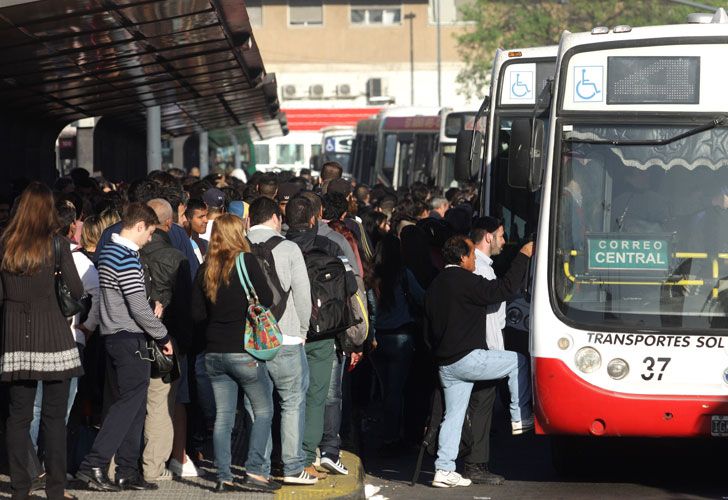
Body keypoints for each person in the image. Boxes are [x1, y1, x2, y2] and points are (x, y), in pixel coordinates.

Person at [76, 203, 173, 492]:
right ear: (139, 225)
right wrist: (163, 335)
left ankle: (127, 471)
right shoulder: (126, 257)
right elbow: (137, 307)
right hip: (129, 337)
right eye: (151, 232)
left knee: (132, 404)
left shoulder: (108, 252)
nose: (151, 239)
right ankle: (95, 463)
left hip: (115, 337)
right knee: (128, 405)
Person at [426, 235, 533, 488]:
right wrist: (523, 256)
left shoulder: (435, 284)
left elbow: (428, 330)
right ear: (462, 257)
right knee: (518, 361)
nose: (475, 260)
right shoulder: (467, 281)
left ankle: (444, 469)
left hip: (446, 364)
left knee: (453, 416)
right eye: (473, 256)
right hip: (468, 358)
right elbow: (504, 290)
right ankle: (520, 417)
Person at [1, 182, 84, 500]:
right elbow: (76, 291)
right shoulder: (58, 245)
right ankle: (55, 489)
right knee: (54, 418)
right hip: (54, 339)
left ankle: (21, 488)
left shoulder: (4, 244)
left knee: (18, 416)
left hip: (14, 340)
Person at [190, 214, 280, 493]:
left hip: (214, 352)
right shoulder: (246, 261)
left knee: (223, 416)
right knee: (264, 410)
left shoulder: (206, 268)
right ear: (238, 234)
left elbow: (196, 313)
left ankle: (223, 476)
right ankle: (254, 471)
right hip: (244, 350)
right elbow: (267, 298)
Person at [247, 197, 316, 485]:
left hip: (250, 340)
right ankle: (291, 467)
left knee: (256, 406)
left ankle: (258, 468)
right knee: (292, 403)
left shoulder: (237, 247)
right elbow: (302, 295)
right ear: (277, 218)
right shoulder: (289, 248)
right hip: (286, 337)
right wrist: (301, 333)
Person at [285, 196, 345, 479]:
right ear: (313, 219)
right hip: (322, 332)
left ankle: (283, 454)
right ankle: (307, 457)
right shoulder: (330, 246)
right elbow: (350, 287)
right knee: (317, 396)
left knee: (285, 396)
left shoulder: (277, 248)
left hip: (284, 331)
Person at [140, 199, 196, 481]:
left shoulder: (131, 251)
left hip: (132, 337)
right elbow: (186, 306)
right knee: (163, 403)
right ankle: (155, 465)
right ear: (169, 223)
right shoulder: (177, 258)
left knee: (132, 399)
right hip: (168, 341)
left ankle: (125, 462)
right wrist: (185, 342)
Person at [459, 216, 510, 485]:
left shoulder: (480, 266)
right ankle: (475, 463)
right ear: (488, 237)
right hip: (484, 347)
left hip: (480, 346)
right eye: (501, 236)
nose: (504, 241)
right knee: (480, 407)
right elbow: (490, 316)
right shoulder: (480, 269)